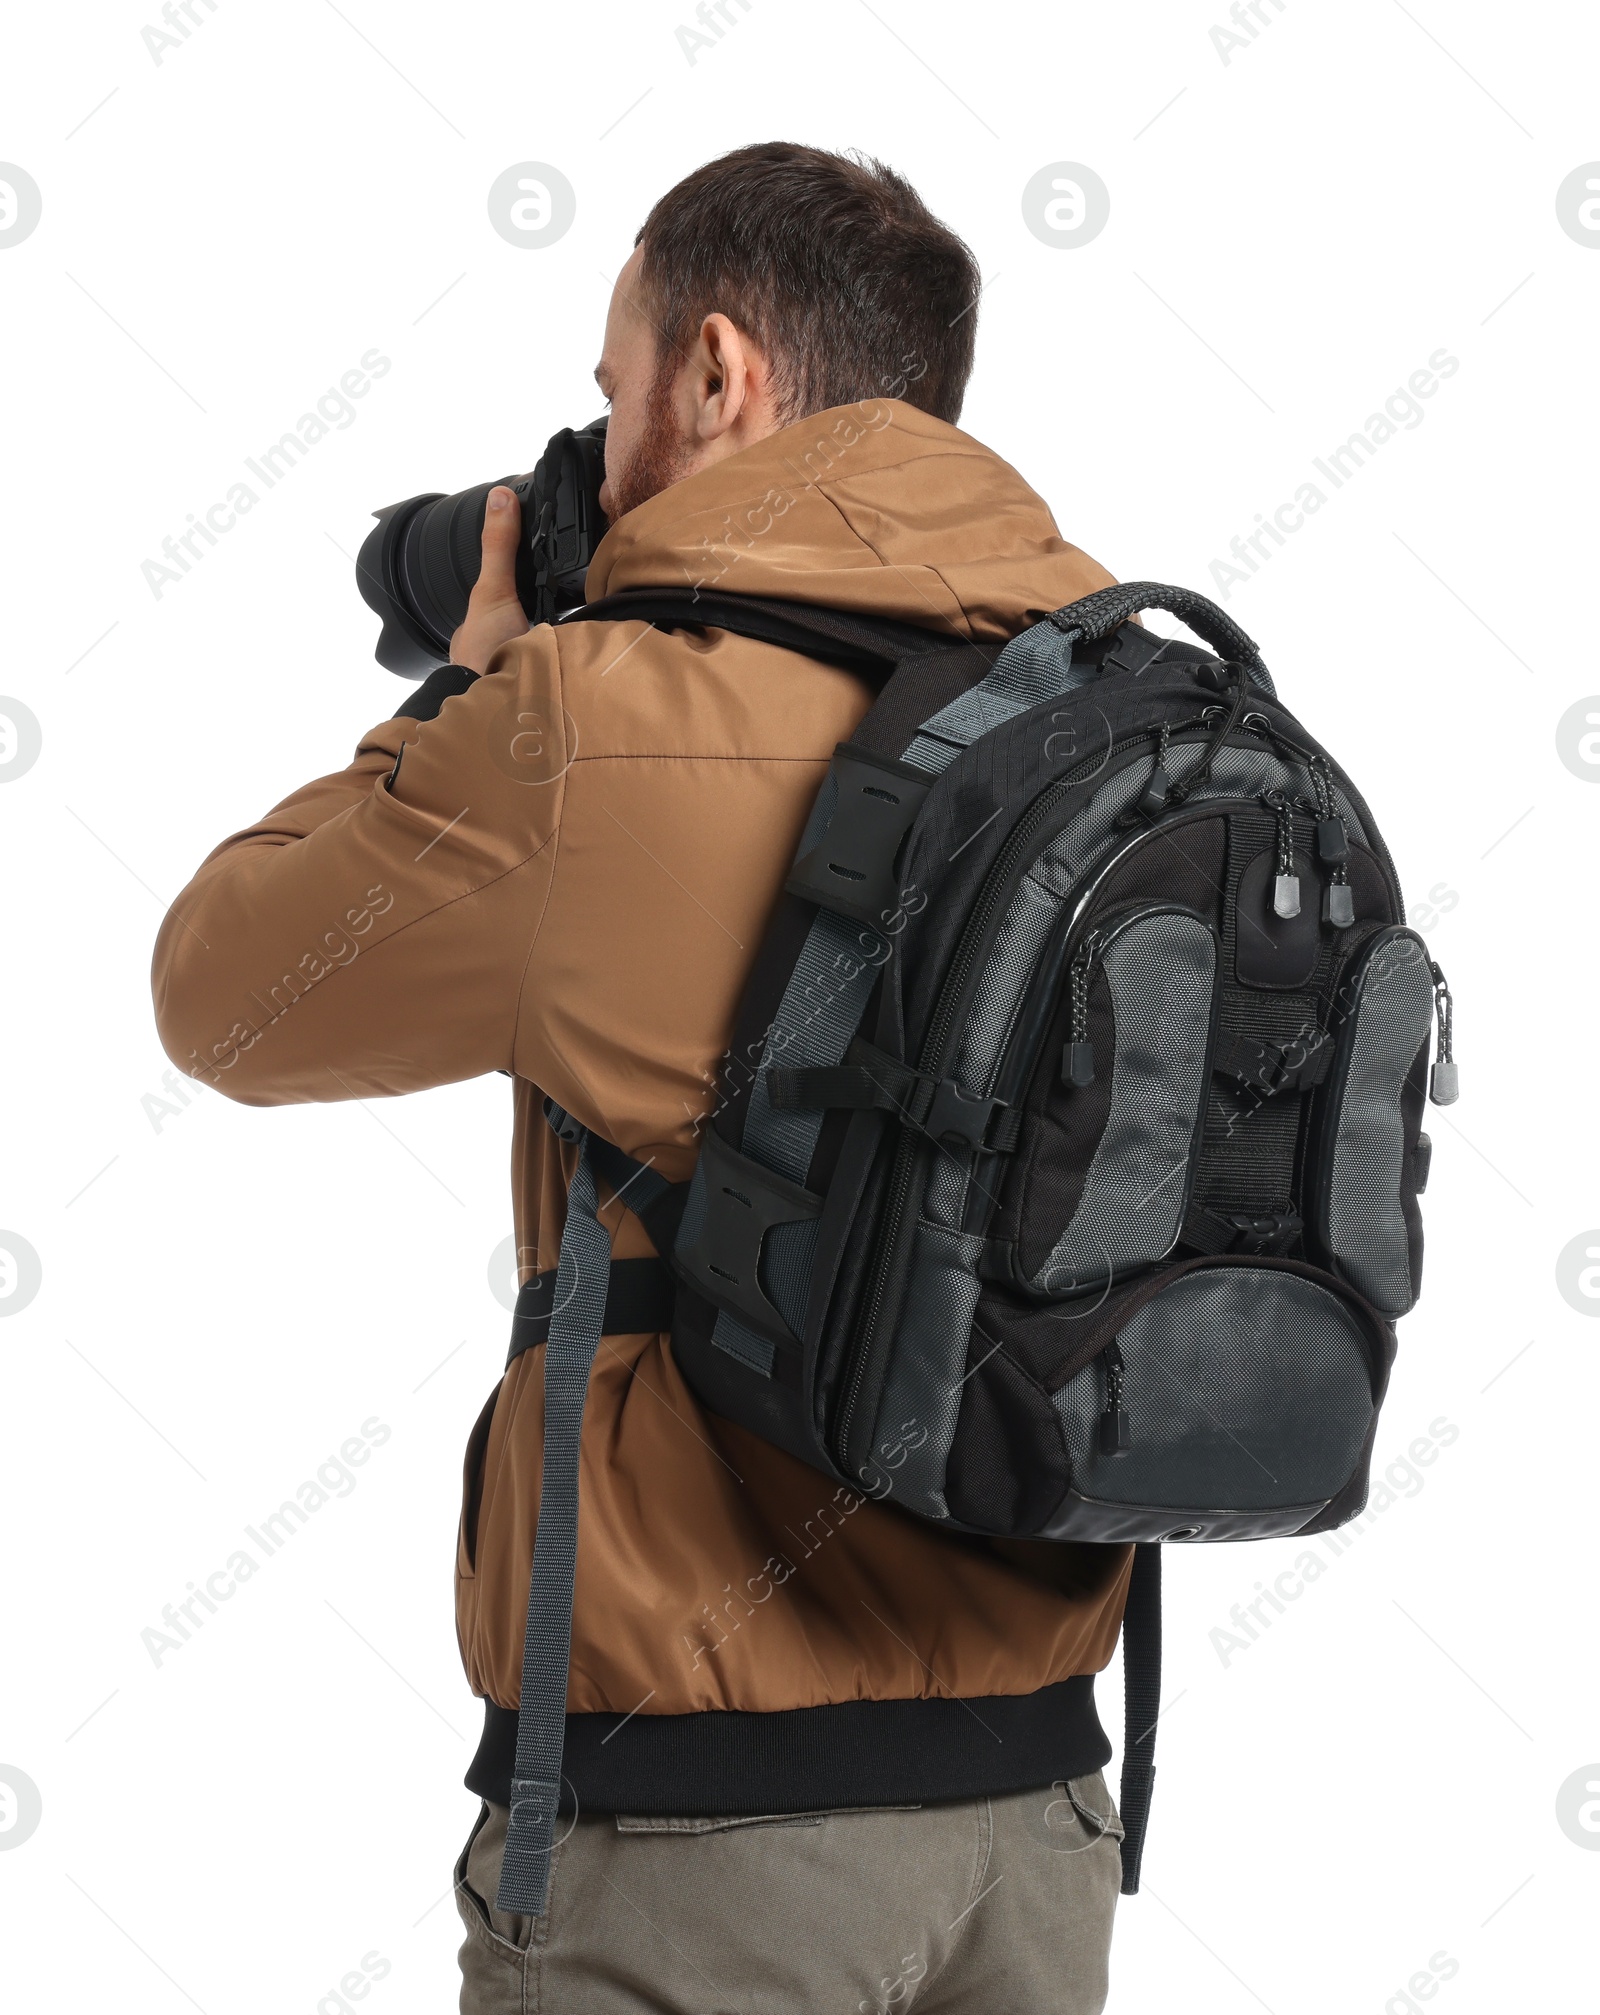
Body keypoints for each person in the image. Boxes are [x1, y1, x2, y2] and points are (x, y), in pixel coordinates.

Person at [153, 141, 1136, 2014]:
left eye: (612, 398)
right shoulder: (1103, 713)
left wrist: (465, 692)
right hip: (1045, 1817)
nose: (598, 456)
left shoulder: (594, 721)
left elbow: (223, 995)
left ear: (715, 373)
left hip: (707, 1834)